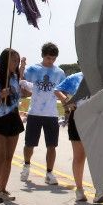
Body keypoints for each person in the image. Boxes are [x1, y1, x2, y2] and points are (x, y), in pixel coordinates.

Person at [0, 48, 29, 205]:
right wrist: (0, 97)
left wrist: (23, 93)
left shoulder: (15, 77)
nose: (15, 63)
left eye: (17, 60)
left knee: (9, 158)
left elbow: (19, 96)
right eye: (12, 60)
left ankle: (3, 189)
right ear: (5, 61)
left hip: (14, 118)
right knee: (0, 157)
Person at [20, 42, 66, 185]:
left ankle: (49, 173)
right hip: (34, 112)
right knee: (30, 144)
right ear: (43, 56)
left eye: (53, 59)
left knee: (51, 145)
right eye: (48, 58)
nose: (50, 61)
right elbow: (21, 81)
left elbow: (63, 90)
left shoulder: (59, 73)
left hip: (51, 114)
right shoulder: (34, 69)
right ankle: (26, 166)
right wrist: (22, 66)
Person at [55, 72, 88, 201]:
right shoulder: (75, 77)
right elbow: (57, 89)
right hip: (78, 116)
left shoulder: (99, 75)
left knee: (96, 155)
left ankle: (100, 190)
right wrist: (67, 100)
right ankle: (79, 190)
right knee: (79, 155)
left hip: (96, 117)